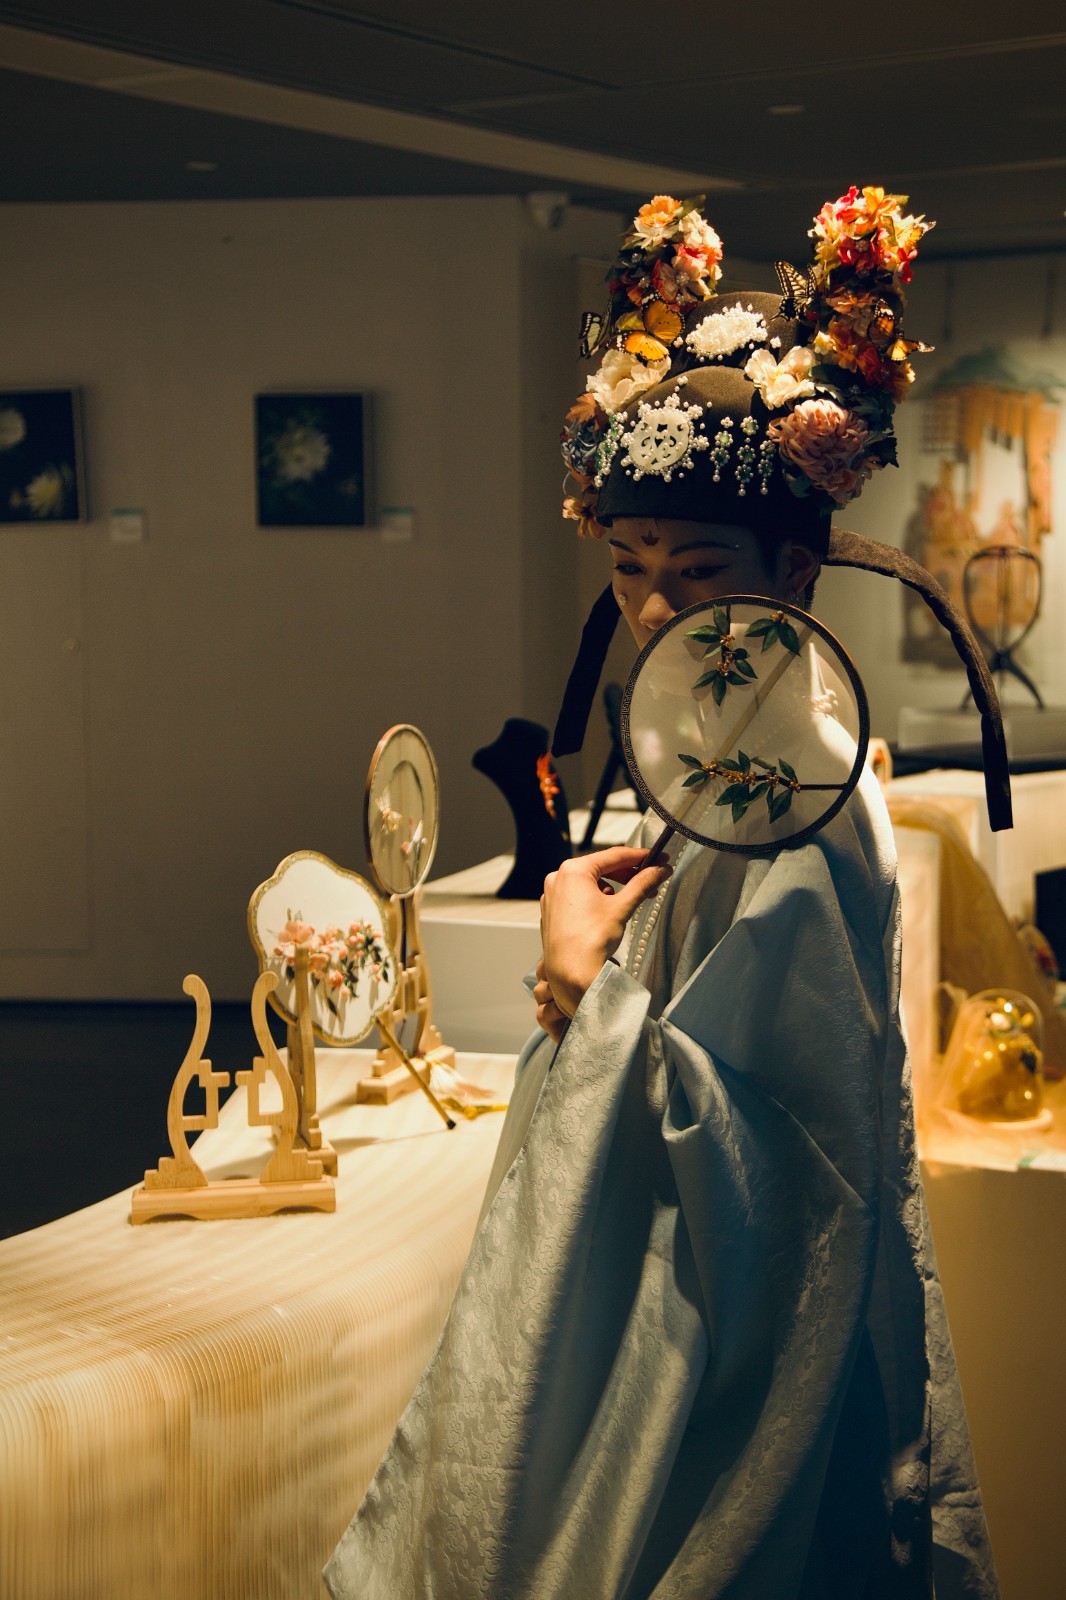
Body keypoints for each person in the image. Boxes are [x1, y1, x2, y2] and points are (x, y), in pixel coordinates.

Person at [325, 190, 1009, 1599]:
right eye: (628, 570)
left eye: (696, 572)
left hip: (714, 1336)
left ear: (793, 570)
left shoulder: (793, 799)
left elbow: (775, 1148)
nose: (652, 608)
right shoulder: (737, 752)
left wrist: (583, 985)